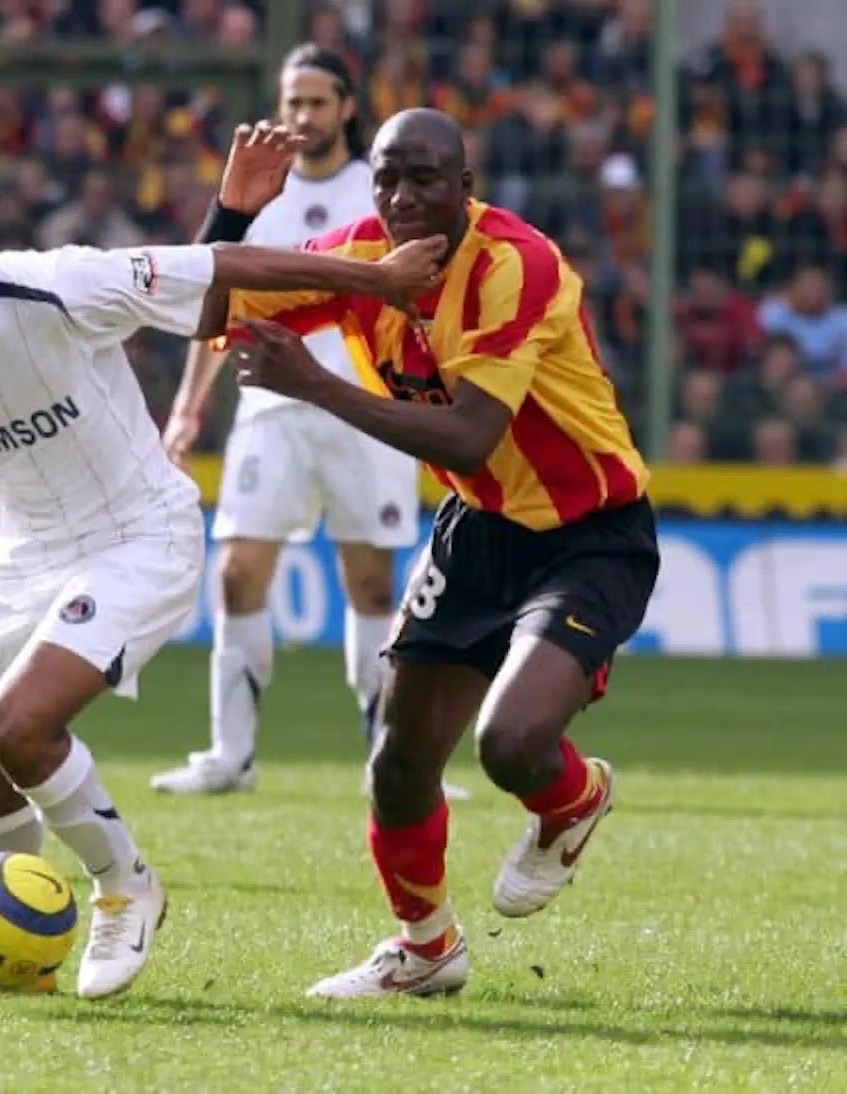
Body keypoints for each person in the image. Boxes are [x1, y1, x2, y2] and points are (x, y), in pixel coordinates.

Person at [0, 176, 444, 999]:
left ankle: (127, 886)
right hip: (21, 559)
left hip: (137, 537)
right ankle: (0, 956)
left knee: (19, 729)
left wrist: (373, 278)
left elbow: (219, 264)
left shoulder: (58, 285)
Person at [218, 108, 660, 998]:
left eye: (423, 179)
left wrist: (314, 385)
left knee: (511, 744)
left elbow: (467, 435)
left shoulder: (517, 264)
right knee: (398, 766)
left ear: (465, 186)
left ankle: (572, 798)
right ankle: (426, 951)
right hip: (478, 530)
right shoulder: (360, 258)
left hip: (590, 534)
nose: (401, 198)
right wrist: (231, 214)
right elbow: (204, 308)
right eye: (386, 179)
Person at [150, 44, 469, 801]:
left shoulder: (380, 189)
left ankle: (391, 759)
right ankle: (231, 755)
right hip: (272, 404)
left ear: (347, 108)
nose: (302, 116)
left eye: (317, 102)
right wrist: (189, 406)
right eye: (292, 102)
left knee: (371, 583)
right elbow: (222, 302)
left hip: (366, 405)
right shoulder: (261, 192)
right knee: (237, 571)